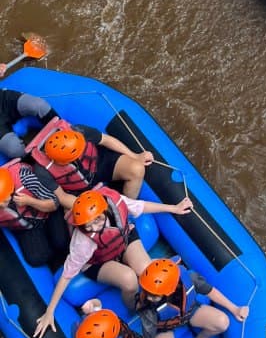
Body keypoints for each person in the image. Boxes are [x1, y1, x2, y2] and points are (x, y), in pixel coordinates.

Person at [33, 186, 194, 338]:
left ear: (105, 210)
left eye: (98, 220)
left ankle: (158, 291)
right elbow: (67, 275)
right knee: (129, 280)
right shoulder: (83, 241)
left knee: (147, 271)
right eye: (88, 226)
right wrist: (50, 310)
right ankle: (134, 308)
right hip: (98, 260)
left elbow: (141, 206)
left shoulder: (115, 201)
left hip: (122, 241)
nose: (95, 228)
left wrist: (173, 208)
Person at [26, 117, 154, 199]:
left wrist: (134, 156)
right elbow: (62, 197)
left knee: (137, 169)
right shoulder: (42, 169)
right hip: (77, 188)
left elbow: (106, 140)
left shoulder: (78, 131)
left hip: (99, 162)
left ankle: (128, 207)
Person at [0, 159, 71, 267]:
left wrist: (30, 201)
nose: (2, 207)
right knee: (37, 258)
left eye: (3, 202)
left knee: (61, 242)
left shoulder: (26, 179)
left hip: (48, 213)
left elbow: (54, 203)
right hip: (26, 225)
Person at [0, 87, 55, 159]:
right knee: (14, 149)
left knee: (39, 105)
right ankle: (35, 159)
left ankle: (64, 131)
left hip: (3, 99)